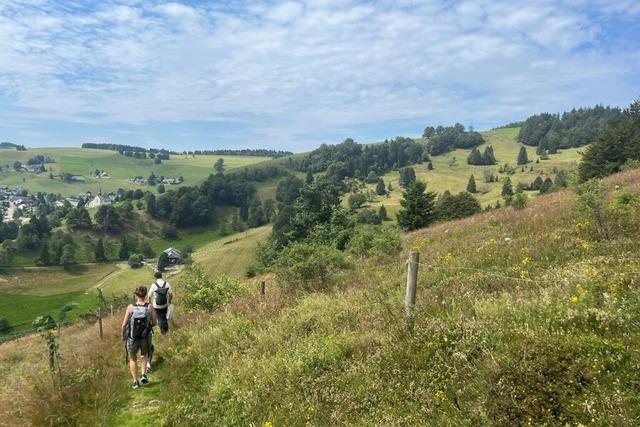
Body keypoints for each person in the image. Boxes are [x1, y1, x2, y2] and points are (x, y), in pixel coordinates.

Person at [121, 286, 157, 389]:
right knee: (144, 355)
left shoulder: (130, 307)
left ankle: (135, 382)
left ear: (136, 295)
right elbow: (154, 323)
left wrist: (122, 335)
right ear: (145, 295)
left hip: (132, 338)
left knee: (132, 358)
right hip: (145, 337)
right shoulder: (149, 307)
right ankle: (143, 375)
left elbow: (124, 325)